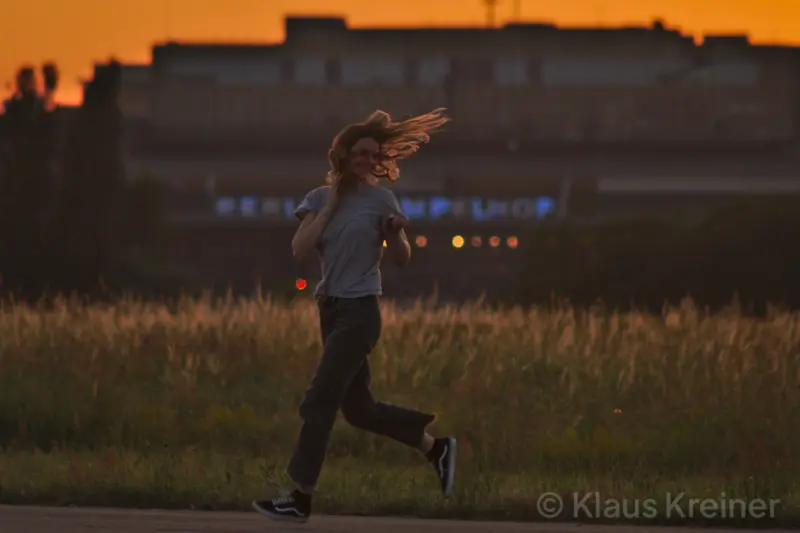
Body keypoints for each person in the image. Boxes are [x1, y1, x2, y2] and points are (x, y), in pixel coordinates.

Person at [252, 108, 456, 523]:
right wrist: (331, 207)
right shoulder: (317, 198)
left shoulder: (382, 199)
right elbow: (300, 250)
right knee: (358, 410)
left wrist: (396, 231)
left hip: (361, 313)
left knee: (318, 402)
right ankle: (436, 447)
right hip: (329, 311)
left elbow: (401, 260)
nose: (367, 160)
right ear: (341, 154)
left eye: (373, 155)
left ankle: (299, 497)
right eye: (360, 153)